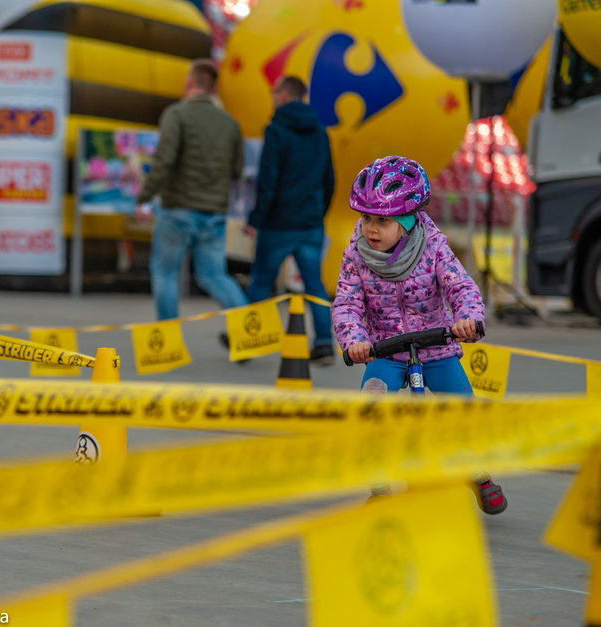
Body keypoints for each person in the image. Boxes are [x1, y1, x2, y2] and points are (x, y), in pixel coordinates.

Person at [332, 155, 508, 515]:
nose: (371, 229)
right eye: (366, 218)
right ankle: (381, 491)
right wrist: (354, 341)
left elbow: (460, 286)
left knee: (462, 416)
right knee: (371, 414)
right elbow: (346, 303)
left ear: (408, 221)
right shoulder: (356, 256)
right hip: (385, 349)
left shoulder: (434, 249)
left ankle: (478, 472)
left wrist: (468, 319)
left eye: (382, 220)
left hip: (437, 346)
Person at [136, 59, 248, 323]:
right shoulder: (230, 123)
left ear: (189, 83)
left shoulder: (177, 115)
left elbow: (164, 161)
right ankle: (249, 334)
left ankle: (168, 337)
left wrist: (143, 196)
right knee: (214, 276)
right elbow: (237, 170)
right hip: (215, 213)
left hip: (177, 210)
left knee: (165, 273)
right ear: (215, 88)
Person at [244, 75, 336, 365]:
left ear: (283, 95)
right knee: (315, 285)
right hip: (310, 222)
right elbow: (329, 179)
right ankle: (324, 344)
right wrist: (318, 213)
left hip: (278, 224)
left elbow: (268, 179)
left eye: (274, 92)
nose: (273, 97)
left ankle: (248, 340)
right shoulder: (321, 132)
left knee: (261, 282)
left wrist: (256, 218)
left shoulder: (276, 130)